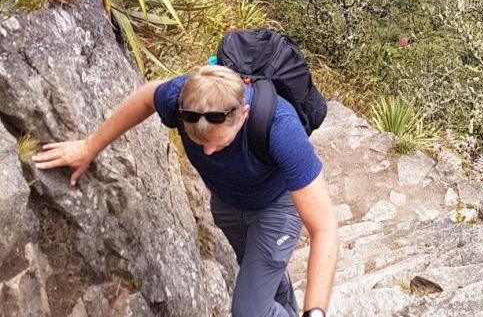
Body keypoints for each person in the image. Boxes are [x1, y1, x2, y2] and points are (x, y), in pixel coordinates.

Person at [32, 64, 338, 317]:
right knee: (260, 273)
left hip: (276, 207)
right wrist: (89, 147)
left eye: (220, 143)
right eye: (200, 143)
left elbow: (324, 228)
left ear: (242, 114)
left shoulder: (279, 127)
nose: (209, 153)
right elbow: (145, 98)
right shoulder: (179, 98)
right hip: (228, 205)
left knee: (249, 311)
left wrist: (316, 312)